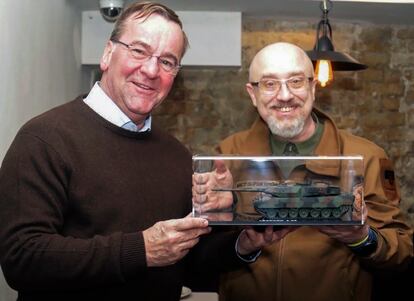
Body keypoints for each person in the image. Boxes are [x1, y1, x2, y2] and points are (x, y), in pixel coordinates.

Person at [0, 2, 272, 300]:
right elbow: (22, 258)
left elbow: (188, 265)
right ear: (107, 54)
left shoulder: (177, 156)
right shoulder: (44, 139)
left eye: (168, 61)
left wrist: (242, 244)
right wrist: (142, 249)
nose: (152, 70)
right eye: (139, 51)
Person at [195, 42, 413, 301]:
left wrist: (362, 238)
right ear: (252, 94)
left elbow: (402, 251)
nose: (285, 95)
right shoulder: (229, 154)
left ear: (312, 86)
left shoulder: (367, 157)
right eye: (269, 84)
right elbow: (201, 256)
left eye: (296, 81)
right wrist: (219, 217)